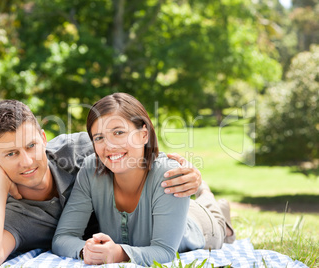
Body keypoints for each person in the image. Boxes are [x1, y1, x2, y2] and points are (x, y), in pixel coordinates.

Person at [0, 100, 203, 266]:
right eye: (11, 154)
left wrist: (189, 174)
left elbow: (136, 151)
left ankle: (208, 198)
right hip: (130, 228)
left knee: (205, 211)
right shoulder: (15, 214)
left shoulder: (80, 150)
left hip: (165, 214)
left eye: (31, 146)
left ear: (43, 138)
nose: (26, 161)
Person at [52, 93, 235, 266]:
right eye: (99, 137)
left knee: (219, 223)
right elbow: (62, 237)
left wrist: (119, 253)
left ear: (144, 134)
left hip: (201, 226)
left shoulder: (168, 173)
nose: (109, 146)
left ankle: (209, 198)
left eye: (119, 133)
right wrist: (86, 251)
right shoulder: (90, 170)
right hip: (171, 208)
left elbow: (164, 251)